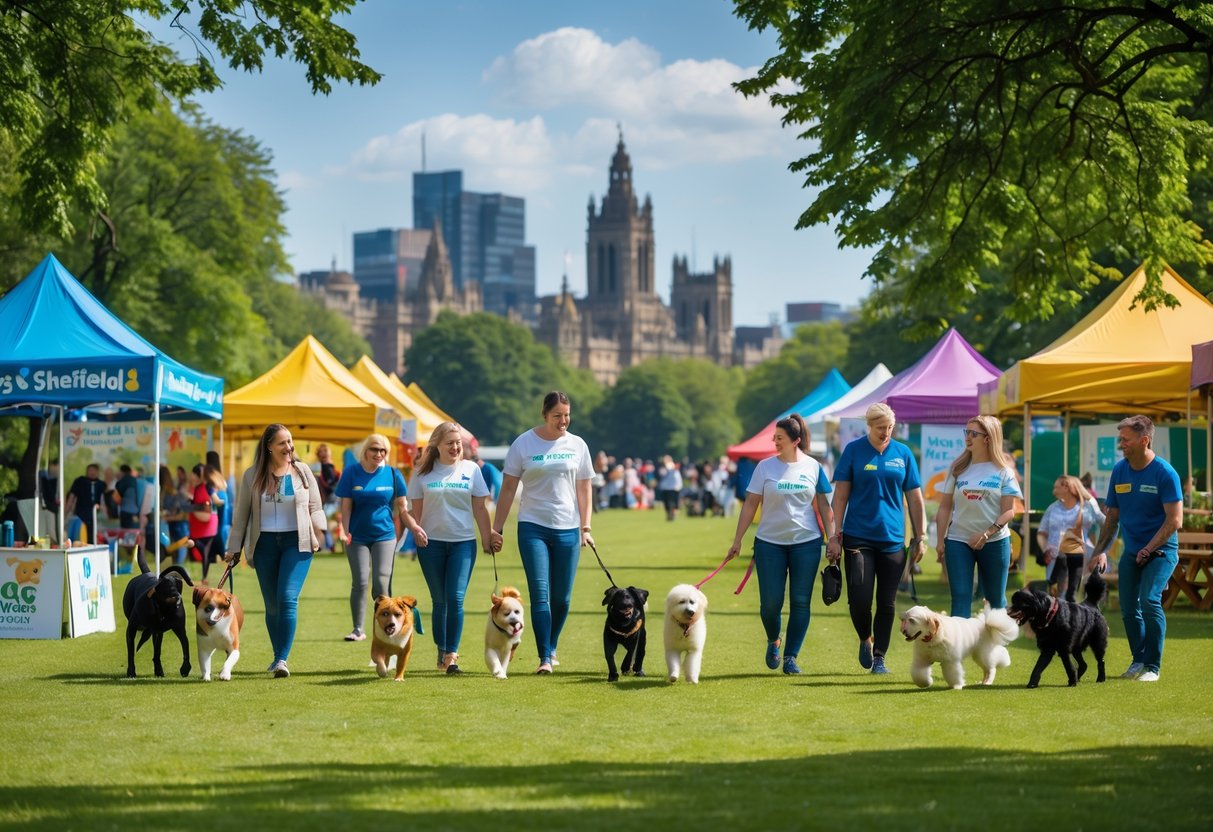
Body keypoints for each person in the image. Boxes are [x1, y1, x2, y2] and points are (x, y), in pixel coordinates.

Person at [490, 391, 595, 675]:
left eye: (567, 415)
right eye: (557, 416)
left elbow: (584, 488)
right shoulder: (523, 444)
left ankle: (551, 644)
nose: (563, 421)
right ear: (545, 415)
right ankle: (544, 658)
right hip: (532, 526)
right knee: (541, 595)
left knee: (563, 599)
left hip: (568, 528)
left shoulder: (577, 445)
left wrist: (586, 526)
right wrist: (495, 529)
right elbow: (509, 487)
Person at [726, 414, 834, 675]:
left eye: (780, 438)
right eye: (774, 437)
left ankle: (791, 657)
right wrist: (737, 540)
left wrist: (833, 539)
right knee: (770, 603)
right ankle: (773, 638)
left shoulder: (813, 467)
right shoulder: (764, 467)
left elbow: (823, 505)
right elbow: (750, 504)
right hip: (769, 543)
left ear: (795, 441)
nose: (774, 441)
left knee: (800, 601)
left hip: (806, 543)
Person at [827, 403, 928, 675]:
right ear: (869, 426)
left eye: (890, 428)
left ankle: (880, 657)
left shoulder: (903, 454)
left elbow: (915, 499)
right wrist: (834, 535)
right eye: (881, 428)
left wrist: (921, 536)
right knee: (859, 599)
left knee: (887, 602)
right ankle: (865, 638)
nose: (886, 433)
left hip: (893, 539)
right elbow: (840, 497)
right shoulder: (853, 451)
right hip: (858, 537)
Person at [224, 423, 327, 678]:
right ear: (268, 447)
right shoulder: (252, 475)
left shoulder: (302, 472)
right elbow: (241, 516)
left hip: (298, 542)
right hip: (265, 545)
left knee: (287, 598)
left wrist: (321, 530)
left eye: (290, 442)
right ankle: (276, 655)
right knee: (272, 606)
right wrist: (233, 548)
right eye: (282, 443)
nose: (288, 447)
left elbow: (315, 505)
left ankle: (282, 659)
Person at [1089, 415, 1183, 683]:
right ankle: (1138, 658)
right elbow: (1112, 517)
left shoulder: (1165, 473)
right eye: (1120, 439)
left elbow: (1175, 521)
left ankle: (1153, 666)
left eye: (1126, 440)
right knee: (1129, 608)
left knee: (1149, 600)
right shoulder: (1120, 471)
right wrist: (1098, 550)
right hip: (1132, 552)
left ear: (1144, 440)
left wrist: (1149, 548)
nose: (1121, 444)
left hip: (1162, 551)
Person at [410, 422, 493, 674]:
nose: (456, 447)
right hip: (431, 545)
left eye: (458, 443)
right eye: (450, 443)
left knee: (456, 598)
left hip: (463, 543)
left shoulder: (471, 470)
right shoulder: (422, 473)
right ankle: (442, 648)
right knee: (440, 601)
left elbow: (480, 508)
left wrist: (488, 536)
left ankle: (451, 655)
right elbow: (415, 512)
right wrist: (415, 531)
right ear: (437, 445)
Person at [336, 433, 425, 643]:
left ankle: (384, 628)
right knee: (359, 581)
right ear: (365, 450)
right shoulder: (351, 472)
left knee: (381, 584)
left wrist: (414, 527)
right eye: (374, 449)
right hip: (357, 536)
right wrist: (345, 530)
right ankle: (358, 629)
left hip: (384, 535)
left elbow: (403, 509)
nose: (378, 454)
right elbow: (346, 507)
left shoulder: (393, 474)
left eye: (383, 450)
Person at [933, 415, 1023, 616]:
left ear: (988, 438)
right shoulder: (957, 469)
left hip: (995, 541)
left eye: (974, 433)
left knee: (995, 601)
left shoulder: (1004, 471)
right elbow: (945, 507)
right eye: (967, 432)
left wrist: (987, 534)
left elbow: (1009, 510)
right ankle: (960, 647)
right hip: (958, 540)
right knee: (960, 597)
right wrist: (940, 540)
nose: (968, 437)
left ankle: (995, 647)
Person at [1037, 475, 1106, 601]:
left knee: (1071, 597)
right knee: (1056, 597)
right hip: (1055, 560)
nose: (1053, 490)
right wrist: (1046, 549)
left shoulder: (1087, 507)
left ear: (1066, 487)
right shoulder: (1052, 508)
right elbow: (1041, 533)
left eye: (1056, 487)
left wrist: (1101, 551)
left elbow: (1106, 524)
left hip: (1078, 558)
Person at [188, 463, 220, 578]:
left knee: (203, 552)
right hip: (203, 529)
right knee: (203, 552)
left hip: (205, 529)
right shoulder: (199, 488)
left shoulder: (202, 489)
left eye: (193, 475)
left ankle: (204, 578)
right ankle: (204, 577)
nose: (191, 477)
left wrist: (190, 508)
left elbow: (206, 512)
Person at [65, 463, 107, 544]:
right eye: (90, 470)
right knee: (80, 538)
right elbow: (71, 497)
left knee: (93, 539)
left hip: (95, 517)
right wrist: (66, 512)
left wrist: (105, 515)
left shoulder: (101, 484)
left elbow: (103, 501)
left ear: (98, 472)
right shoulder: (79, 481)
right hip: (81, 515)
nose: (92, 472)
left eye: (94, 470)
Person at [313, 443, 341, 550]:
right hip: (327, 502)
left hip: (333, 502)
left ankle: (330, 545)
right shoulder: (323, 468)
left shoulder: (331, 468)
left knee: (324, 524)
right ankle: (329, 545)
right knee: (323, 525)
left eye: (326, 451)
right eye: (321, 451)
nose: (324, 453)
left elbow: (331, 486)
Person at [656, 455, 683, 521]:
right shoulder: (662, 467)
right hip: (665, 488)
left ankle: (672, 515)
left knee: (672, 503)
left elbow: (674, 467)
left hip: (673, 488)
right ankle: (669, 515)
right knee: (666, 504)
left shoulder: (671, 465)